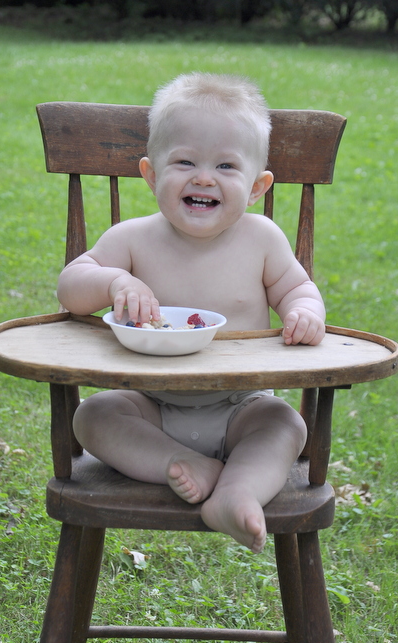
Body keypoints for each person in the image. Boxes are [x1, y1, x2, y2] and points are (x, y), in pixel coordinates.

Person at [57, 72, 326, 554]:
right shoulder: (132, 239)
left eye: (226, 166)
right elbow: (71, 289)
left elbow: (298, 288)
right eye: (185, 162)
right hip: (148, 405)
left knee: (286, 425)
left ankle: (237, 490)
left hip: (240, 406)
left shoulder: (262, 240)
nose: (204, 177)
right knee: (93, 415)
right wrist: (115, 280)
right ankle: (176, 462)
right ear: (152, 174)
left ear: (258, 185)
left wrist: (304, 311)